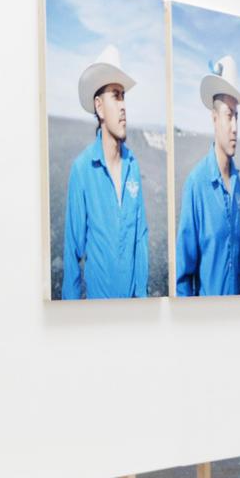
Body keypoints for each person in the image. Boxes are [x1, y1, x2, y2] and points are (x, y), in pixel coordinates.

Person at [61, 45, 150, 299]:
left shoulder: (133, 166)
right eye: (115, 95)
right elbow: (72, 252)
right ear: (99, 107)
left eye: (124, 96)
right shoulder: (82, 170)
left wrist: (143, 301)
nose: (123, 106)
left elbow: (140, 239)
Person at [175, 54, 240, 296]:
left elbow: (237, 262)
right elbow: (183, 276)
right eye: (229, 115)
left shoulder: (238, 183)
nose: (235, 127)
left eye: (237, 116)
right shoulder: (196, 185)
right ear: (214, 118)